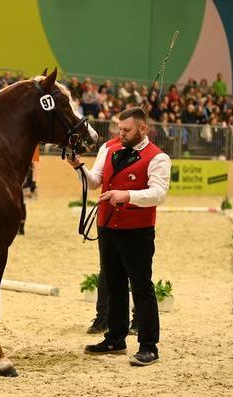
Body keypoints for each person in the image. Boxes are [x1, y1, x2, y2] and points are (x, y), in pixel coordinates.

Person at [68, 107, 171, 366]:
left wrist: (128, 196)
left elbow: (158, 193)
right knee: (113, 283)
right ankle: (115, 337)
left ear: (143, 129)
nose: (120, 133)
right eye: (119, 128)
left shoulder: (158, 158)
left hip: (137, 230)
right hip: (107, 226)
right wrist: (78, 165)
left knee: (141, 286)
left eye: (126, 130)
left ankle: (149, 345)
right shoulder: (109, 148)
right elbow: (94, 181)